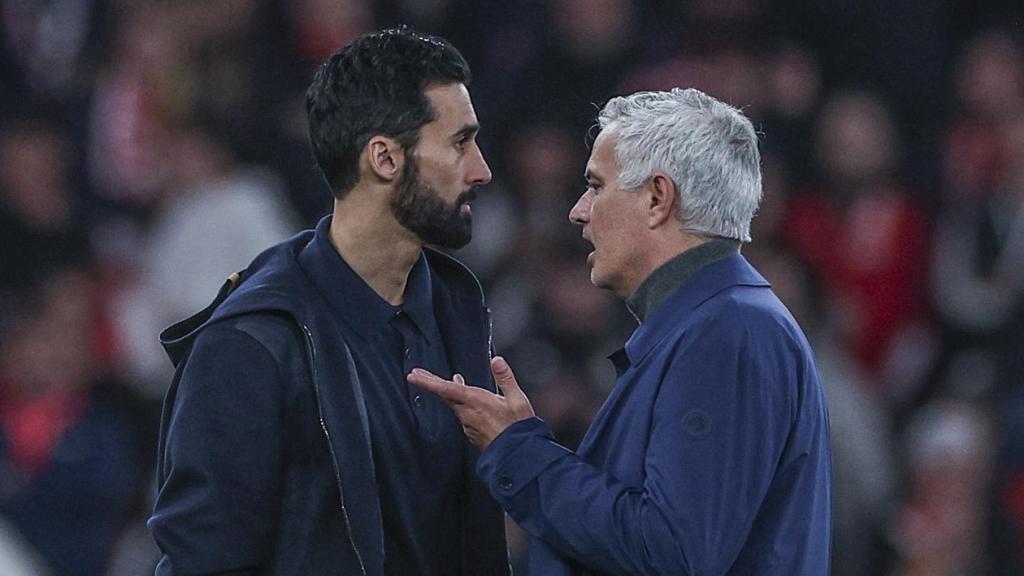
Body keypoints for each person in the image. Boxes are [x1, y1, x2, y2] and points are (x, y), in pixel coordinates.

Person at [409, 88, 833, 575]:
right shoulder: (716, 325)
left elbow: (669, 553)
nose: (579, 211)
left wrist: (519, 452)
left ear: (657, 198)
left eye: (596, 185)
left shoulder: (729, 332)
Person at [148, 28, 509, 575]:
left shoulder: (455, 304)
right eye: (460, 142)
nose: (481, 168)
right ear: (384, 158)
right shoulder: (251, 344)